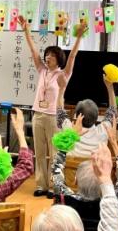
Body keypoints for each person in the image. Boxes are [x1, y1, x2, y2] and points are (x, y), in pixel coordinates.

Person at [18, 15, 87, 197]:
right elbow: (33, 52)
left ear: (58, 59)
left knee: (55, 152)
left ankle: (56, 186)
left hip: (54, 117)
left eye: (52, 55)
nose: (47, 57)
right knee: (40, 152)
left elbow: (73, 56)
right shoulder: (42, 70)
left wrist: (79, 36)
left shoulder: (63, 74)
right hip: (38, 114)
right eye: (47, 54)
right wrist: (26, 30)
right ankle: (42, 185)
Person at [56, 73, 117, 157]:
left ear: (77, 117)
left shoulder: (69, 130)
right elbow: (113, 111)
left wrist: (61, 89)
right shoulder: (103, 130)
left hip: (71, 169)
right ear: (96, 117)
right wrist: (110, 87)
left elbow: (59, 111)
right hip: (95, 170)